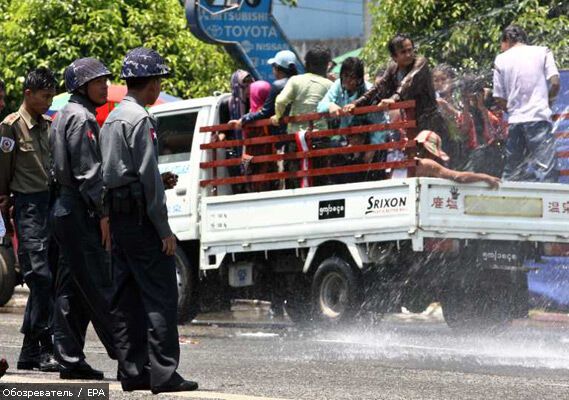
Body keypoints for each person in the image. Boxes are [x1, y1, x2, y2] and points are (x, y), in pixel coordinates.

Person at [99, 47, 197, 394]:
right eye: (158, 80)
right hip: (141, 219)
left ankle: (132, 371)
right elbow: (147, 183)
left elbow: (114, 174)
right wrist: (165, 230)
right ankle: (164, 373)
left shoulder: (111, 118)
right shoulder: (141, 119)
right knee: (160, 294)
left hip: (120, 216)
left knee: (125, 299)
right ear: (152, 83)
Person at [50, 57, 119, 380]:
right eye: (99, 81)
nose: (105, 86)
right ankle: (131, 359)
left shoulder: (62, 114)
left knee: (70, 289)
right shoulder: (83, 118)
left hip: (64, 208)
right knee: (100, 286)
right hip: (80, 209)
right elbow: (89, 173)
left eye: (106, 80)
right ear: (82, 86)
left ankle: (69, 359)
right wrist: (103, 213)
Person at [0, 68, 59, 373]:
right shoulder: (10, 127)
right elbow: (3, 174)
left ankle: (28, 352)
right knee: (40, 277)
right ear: (28, 94)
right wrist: (5, 211)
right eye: (45, 95)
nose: (49, 101)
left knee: (44, 280)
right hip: (27, 208)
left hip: (48, 205)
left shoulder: (48, 126)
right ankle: (46, 346)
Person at [344, 33, 450, 153]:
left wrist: (394, 98)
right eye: (403, 52)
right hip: (411, 125)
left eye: (410, 50)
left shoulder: (421, 63)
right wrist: (356, 103)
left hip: (431, 124)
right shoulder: (393, 68)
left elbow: (408, 81)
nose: (409, 54)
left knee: (437, 164)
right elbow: (378, 88)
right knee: (416, 165)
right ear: (394, 57)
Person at [493, 25, 560, 182]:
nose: (501, 48)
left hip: (516, 122)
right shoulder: (543, 51)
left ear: (507, 40)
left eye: (501, 44)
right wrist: (547, 103)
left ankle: (506, 201)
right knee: (546, 170)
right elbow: (555, 83)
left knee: (513, 171)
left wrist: (513, 111)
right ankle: (548, 204)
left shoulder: (500, 59)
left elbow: (498, 97)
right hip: (538, 118)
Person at [271, 46, 333, 188]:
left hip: (296, 140)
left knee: (294, 182)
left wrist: (278, 117)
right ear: (325, 66)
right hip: (321, 138)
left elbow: (280, 101)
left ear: (307, 64)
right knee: (320, 181)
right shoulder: (330, 84)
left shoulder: (295, 81)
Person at [318, 57, 390, 158]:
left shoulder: (369, 91)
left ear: (360, 79)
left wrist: (373, 148)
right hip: (344, 140)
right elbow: (321, 105)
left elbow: (380, 123)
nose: (348, 80)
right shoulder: (338, 85)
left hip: (368, 140)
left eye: (352, 77)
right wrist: (330, 105)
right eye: (345, 76)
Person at [390, 130, 500, 188]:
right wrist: (483, 177)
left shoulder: (396, 162)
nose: (434, 157)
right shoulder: (426, 164)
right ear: (428, 150)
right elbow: (458, 177)